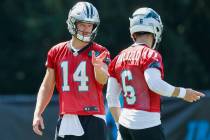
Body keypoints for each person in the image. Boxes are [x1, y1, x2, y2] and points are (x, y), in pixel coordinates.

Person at [106, 7, 205, 140]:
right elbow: (154, 84)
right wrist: (183, 93)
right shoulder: (150, 54)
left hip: (125, 124)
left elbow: (111, 97)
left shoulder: (118, 58)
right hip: (147, 123)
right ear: (155, 28)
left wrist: (120, 125)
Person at [32, 2, 110, 140]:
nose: (87, 29)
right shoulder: (56, 51)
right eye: (82, 24)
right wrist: (37, 113)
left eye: (90, 25)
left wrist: (98, 67)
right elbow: (47, 85)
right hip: (67, 116)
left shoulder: (100, 51)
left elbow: (103, 79)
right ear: (72, 23)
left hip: (94, 117)